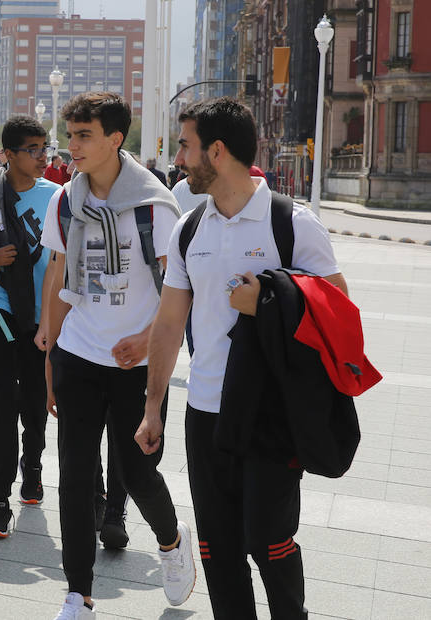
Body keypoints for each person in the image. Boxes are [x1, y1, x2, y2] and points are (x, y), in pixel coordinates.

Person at [139, 97, 347, 619]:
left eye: (186, 145)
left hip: (270, 414)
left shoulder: (291, 223)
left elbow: (339, 309)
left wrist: (271, 300)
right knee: (217, 547)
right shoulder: (188, 228)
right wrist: (153, 406)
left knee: (268, 540)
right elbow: (168, 323)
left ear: (217, 150)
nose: (179, 158)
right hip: (206, 412)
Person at [41, 92, 194, 620]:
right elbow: (58, 275)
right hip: (79, 355)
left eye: (84, 135)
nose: (72, 146)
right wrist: (50, 354)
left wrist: (147, 337)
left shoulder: (154, 208)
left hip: (137, 363)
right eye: (70, 135)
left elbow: (180, 294)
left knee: (136, 473)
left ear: (114, 139)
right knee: (76, 475)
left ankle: (173, 543)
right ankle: (77, 594)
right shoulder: (64, 201)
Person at [0, 115, 59, 538]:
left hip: (43, 318)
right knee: (3, 404)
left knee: (36, 402)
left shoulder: (57, 195)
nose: (42, 156)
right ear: (8, 155)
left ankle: (32, 469)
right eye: (33, 150)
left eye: (44, 148)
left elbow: (62, 260)